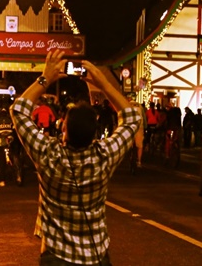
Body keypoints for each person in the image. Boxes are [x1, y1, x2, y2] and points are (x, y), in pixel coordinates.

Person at [11, 50, 140, 265]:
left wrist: (45, 78)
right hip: (96, 256)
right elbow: (131, 119)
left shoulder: (48, 154)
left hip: (56, 255)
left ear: (63, 130)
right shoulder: (104, 156)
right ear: (94, 135)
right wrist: (105, 85)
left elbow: (18, 110)